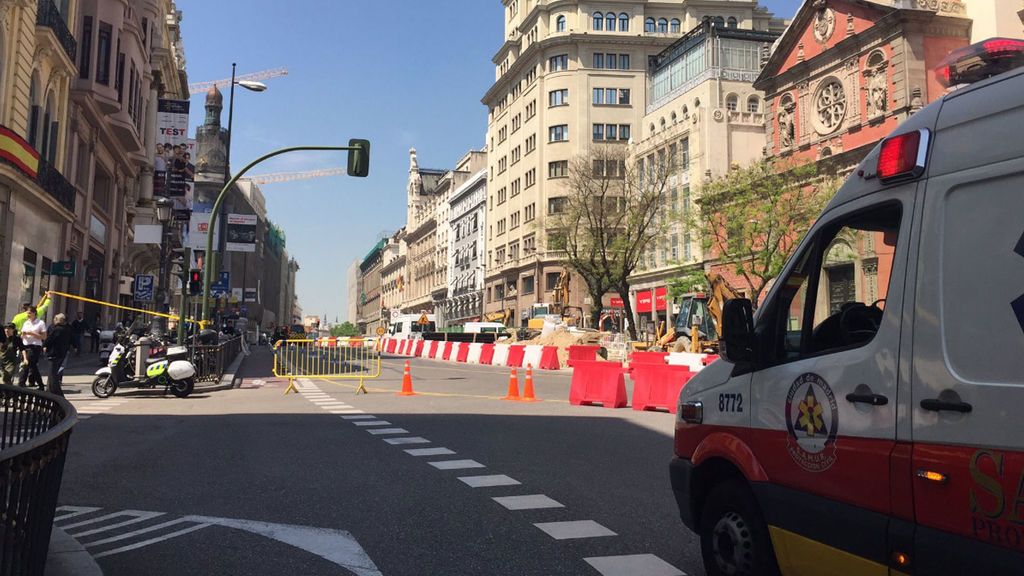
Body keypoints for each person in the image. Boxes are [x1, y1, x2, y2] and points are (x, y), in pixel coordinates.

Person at [18, 306, 46, 390]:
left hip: (34, 347)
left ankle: (21, 383)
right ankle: (40, 384)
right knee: (30, 365)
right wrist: (23, 334)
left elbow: (44, 337)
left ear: (34, 313)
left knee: (28, 364)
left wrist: (32, 333)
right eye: (27, 313)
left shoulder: (40, 323)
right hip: (25, 345)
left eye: (29, 313)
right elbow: (22, 335)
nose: (28, 315)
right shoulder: (26, 323)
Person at [43, 313, 71, 396]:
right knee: (52, 373)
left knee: (52, 374)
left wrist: (45, 345)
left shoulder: (57, 329)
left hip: (54, 353)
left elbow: (50, 339)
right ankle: (50, 391)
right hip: (62, 353)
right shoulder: (67, 329)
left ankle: (59, 393)